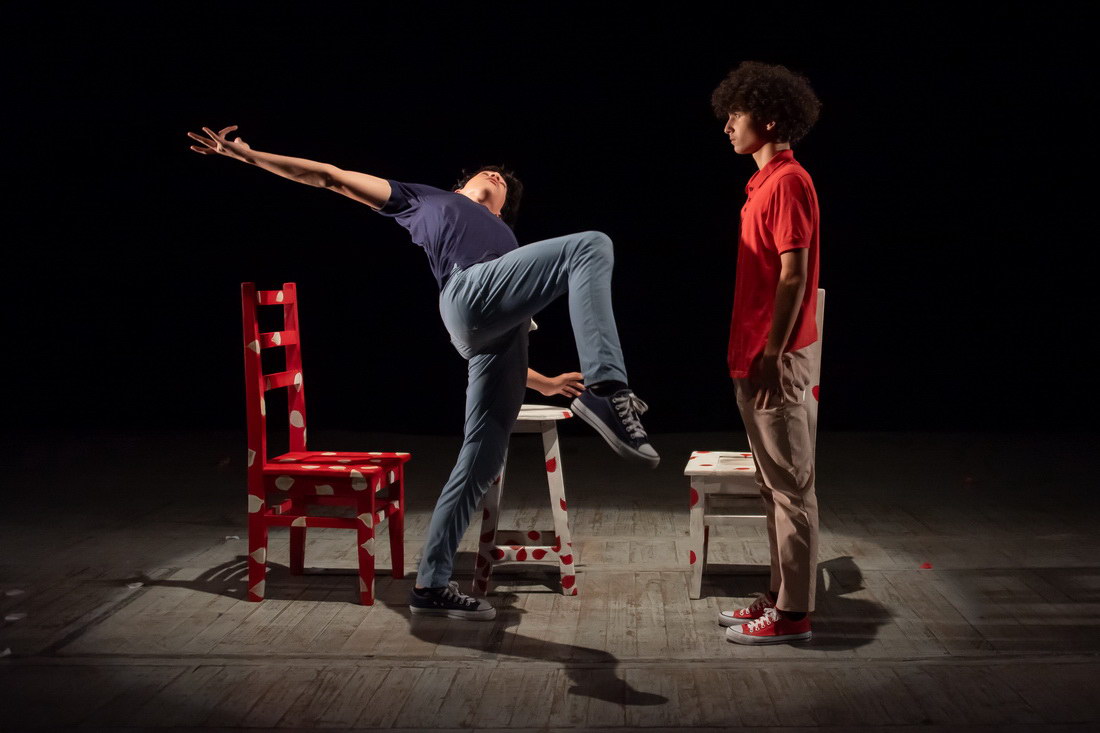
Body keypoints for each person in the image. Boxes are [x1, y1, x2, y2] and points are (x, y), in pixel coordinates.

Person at [187, 127, 659, 621]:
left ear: (502, 208)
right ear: (460, 186)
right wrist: (247, 157)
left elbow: (507, 327)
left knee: (482, 455)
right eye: (488, 173)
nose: (498, 177)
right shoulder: (423, 199)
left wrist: (542, 384)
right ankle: (608, 389)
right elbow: (329, 177)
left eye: (505, 186)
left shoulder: (508, 239)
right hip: (467, 290)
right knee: (591, 245)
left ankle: (431, 584)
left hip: (494, 331)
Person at [708, 62, 823, 644]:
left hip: (771, 356)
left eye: (737, 114)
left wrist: (773, 351)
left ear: (769, 118)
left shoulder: (787, 182)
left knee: (791, 488)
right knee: (772, 486)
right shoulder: (760, 184)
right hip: (752, 352)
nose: (727, 124)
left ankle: (794, 616)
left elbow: (794, 274)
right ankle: (781, 598)